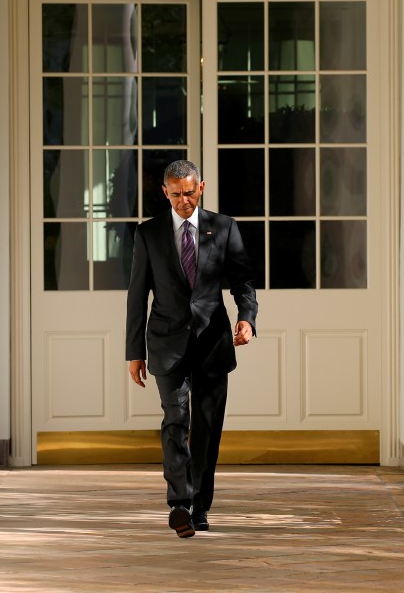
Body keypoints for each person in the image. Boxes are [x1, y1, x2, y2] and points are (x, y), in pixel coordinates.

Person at [126, 160, 258, 538]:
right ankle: (179, 503)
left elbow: (243, 281)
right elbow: (137, 295)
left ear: (201, 188)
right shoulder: (148, 234)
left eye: (190, 192)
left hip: (213, 344)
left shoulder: (224, 227)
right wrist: (134, 352)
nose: (184, 201)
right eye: (176, 194)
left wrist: (247, 318)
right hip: (166, 343)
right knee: (174, 421)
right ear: (165, 193)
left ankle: (200, 507)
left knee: (206, 430)